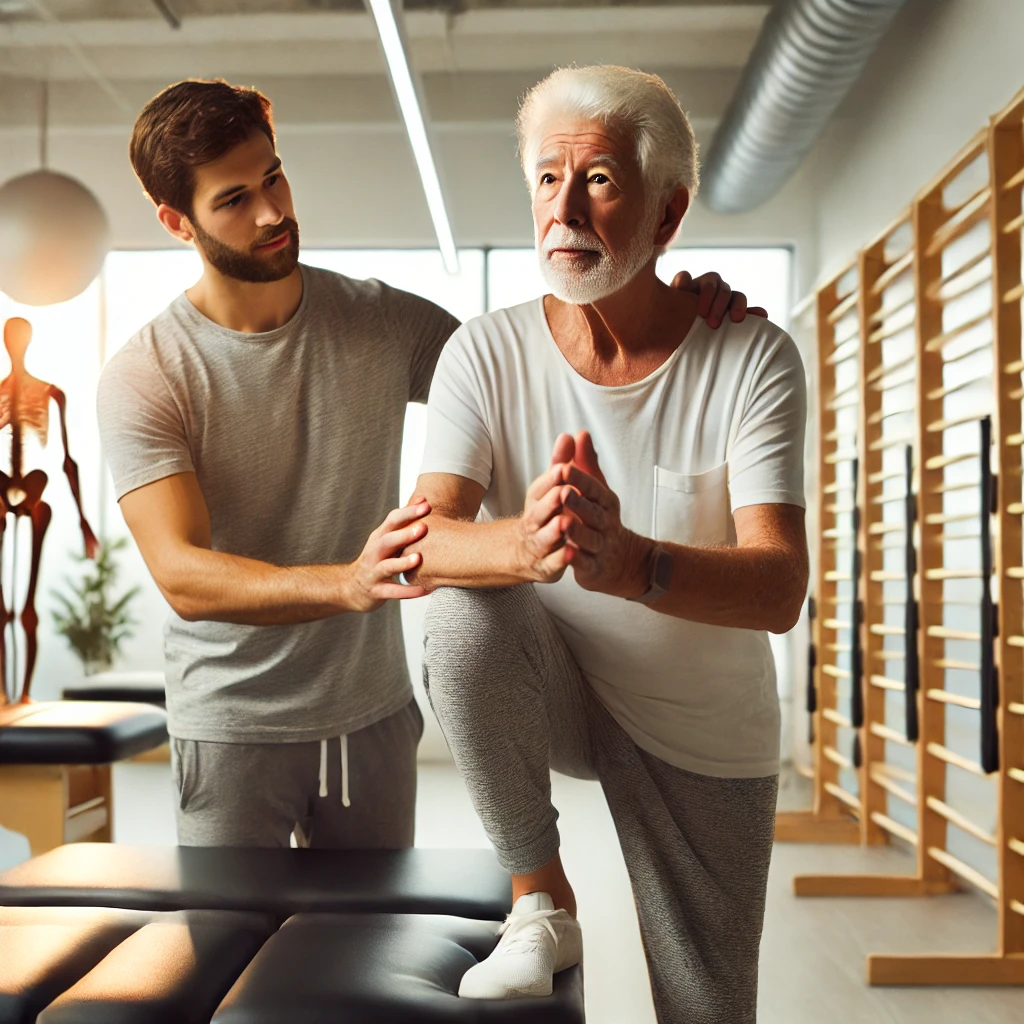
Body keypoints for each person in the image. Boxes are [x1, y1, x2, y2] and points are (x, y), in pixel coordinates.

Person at [96, 78, 758, 851]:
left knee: (365, 961)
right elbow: (181, 573)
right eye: (234, 200)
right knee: (236, 963)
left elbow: (545, 363)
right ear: (178, 222)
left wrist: (660, 303)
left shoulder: (385, 323)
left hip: (373, 716)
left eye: (273, 177)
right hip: (232, 725)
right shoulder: (147, 372)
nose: (273, 212)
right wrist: (347, 583)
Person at [407, 65, 808, 1023]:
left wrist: (635, 564)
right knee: (462, 614)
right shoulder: (484, 350)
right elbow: (419, 547)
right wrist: (528, 543)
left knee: (708, 1009)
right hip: (555, 686)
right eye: (548, 179)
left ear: (667, 217)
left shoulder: (750, 354)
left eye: (599, 181)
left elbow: (779, 589)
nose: (565, 210)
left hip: (702, 728)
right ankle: (541, 898)